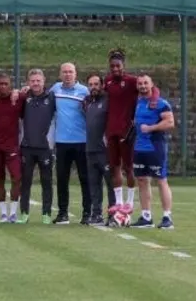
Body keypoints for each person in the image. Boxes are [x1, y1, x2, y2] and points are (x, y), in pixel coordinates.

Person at [130, 74, 174, 229]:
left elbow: (170, 122)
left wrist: (151, 128)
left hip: (155, 147)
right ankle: (146, 217)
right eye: (140, 83)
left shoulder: (161, 103)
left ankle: (167, 217)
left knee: (161, 180)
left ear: (151, 84)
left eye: (145, 83)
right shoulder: (138, 103)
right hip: (139, 147)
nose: (143, 86)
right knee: (142, 180)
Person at [49, 62, 90, 224]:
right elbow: (39, 95)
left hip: (81, 141)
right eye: (64, 72)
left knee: (84, 178)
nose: (67, 75)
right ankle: (62, 213)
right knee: (62, 179)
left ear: (75, 74)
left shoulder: (84, 91)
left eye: (70, 72)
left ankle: (87, 213)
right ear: (60, 74)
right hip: (62, 142)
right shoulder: (55, 89)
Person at [18, 69, 56, 224]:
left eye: (38, 80)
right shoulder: (24, 97)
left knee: (46, 181)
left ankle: (46, 214)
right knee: (25, 181)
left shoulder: (52, 97)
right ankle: (24, 213)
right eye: (33, 81)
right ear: (28, 82)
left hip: (45, 148)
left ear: (43, 81)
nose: (35, 83)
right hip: (27, 146)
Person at [104, 48, 139, 214]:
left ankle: (130, 203)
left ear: (123, 65)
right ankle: (118, 202)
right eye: (112, 66)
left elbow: (151, 88)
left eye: (118, 65)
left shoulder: (132, 81)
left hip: (126, 131)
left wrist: (154, 99)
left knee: (128, 167)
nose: (115, 69)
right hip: (111, 130)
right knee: (114, 167)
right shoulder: (108, 81)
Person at [0, 74, 23, 223]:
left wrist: (19, 91)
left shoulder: (18, 98)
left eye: (6, 84)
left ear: (10, 85)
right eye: (0, 84)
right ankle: (3, 213)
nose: (3, 86)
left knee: (16, 177)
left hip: (12, 145)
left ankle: (13, 213)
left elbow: (29, 91)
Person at [82, 73, 116, 226]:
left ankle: (113, 214)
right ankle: (96, 214)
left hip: (105, 151)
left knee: (110, 183)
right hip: (90, 149)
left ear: (102, 85)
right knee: (94, 184)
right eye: (90, 85)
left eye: (96, 84)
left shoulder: (108, 101)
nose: (93, 87)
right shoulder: (87, 102)